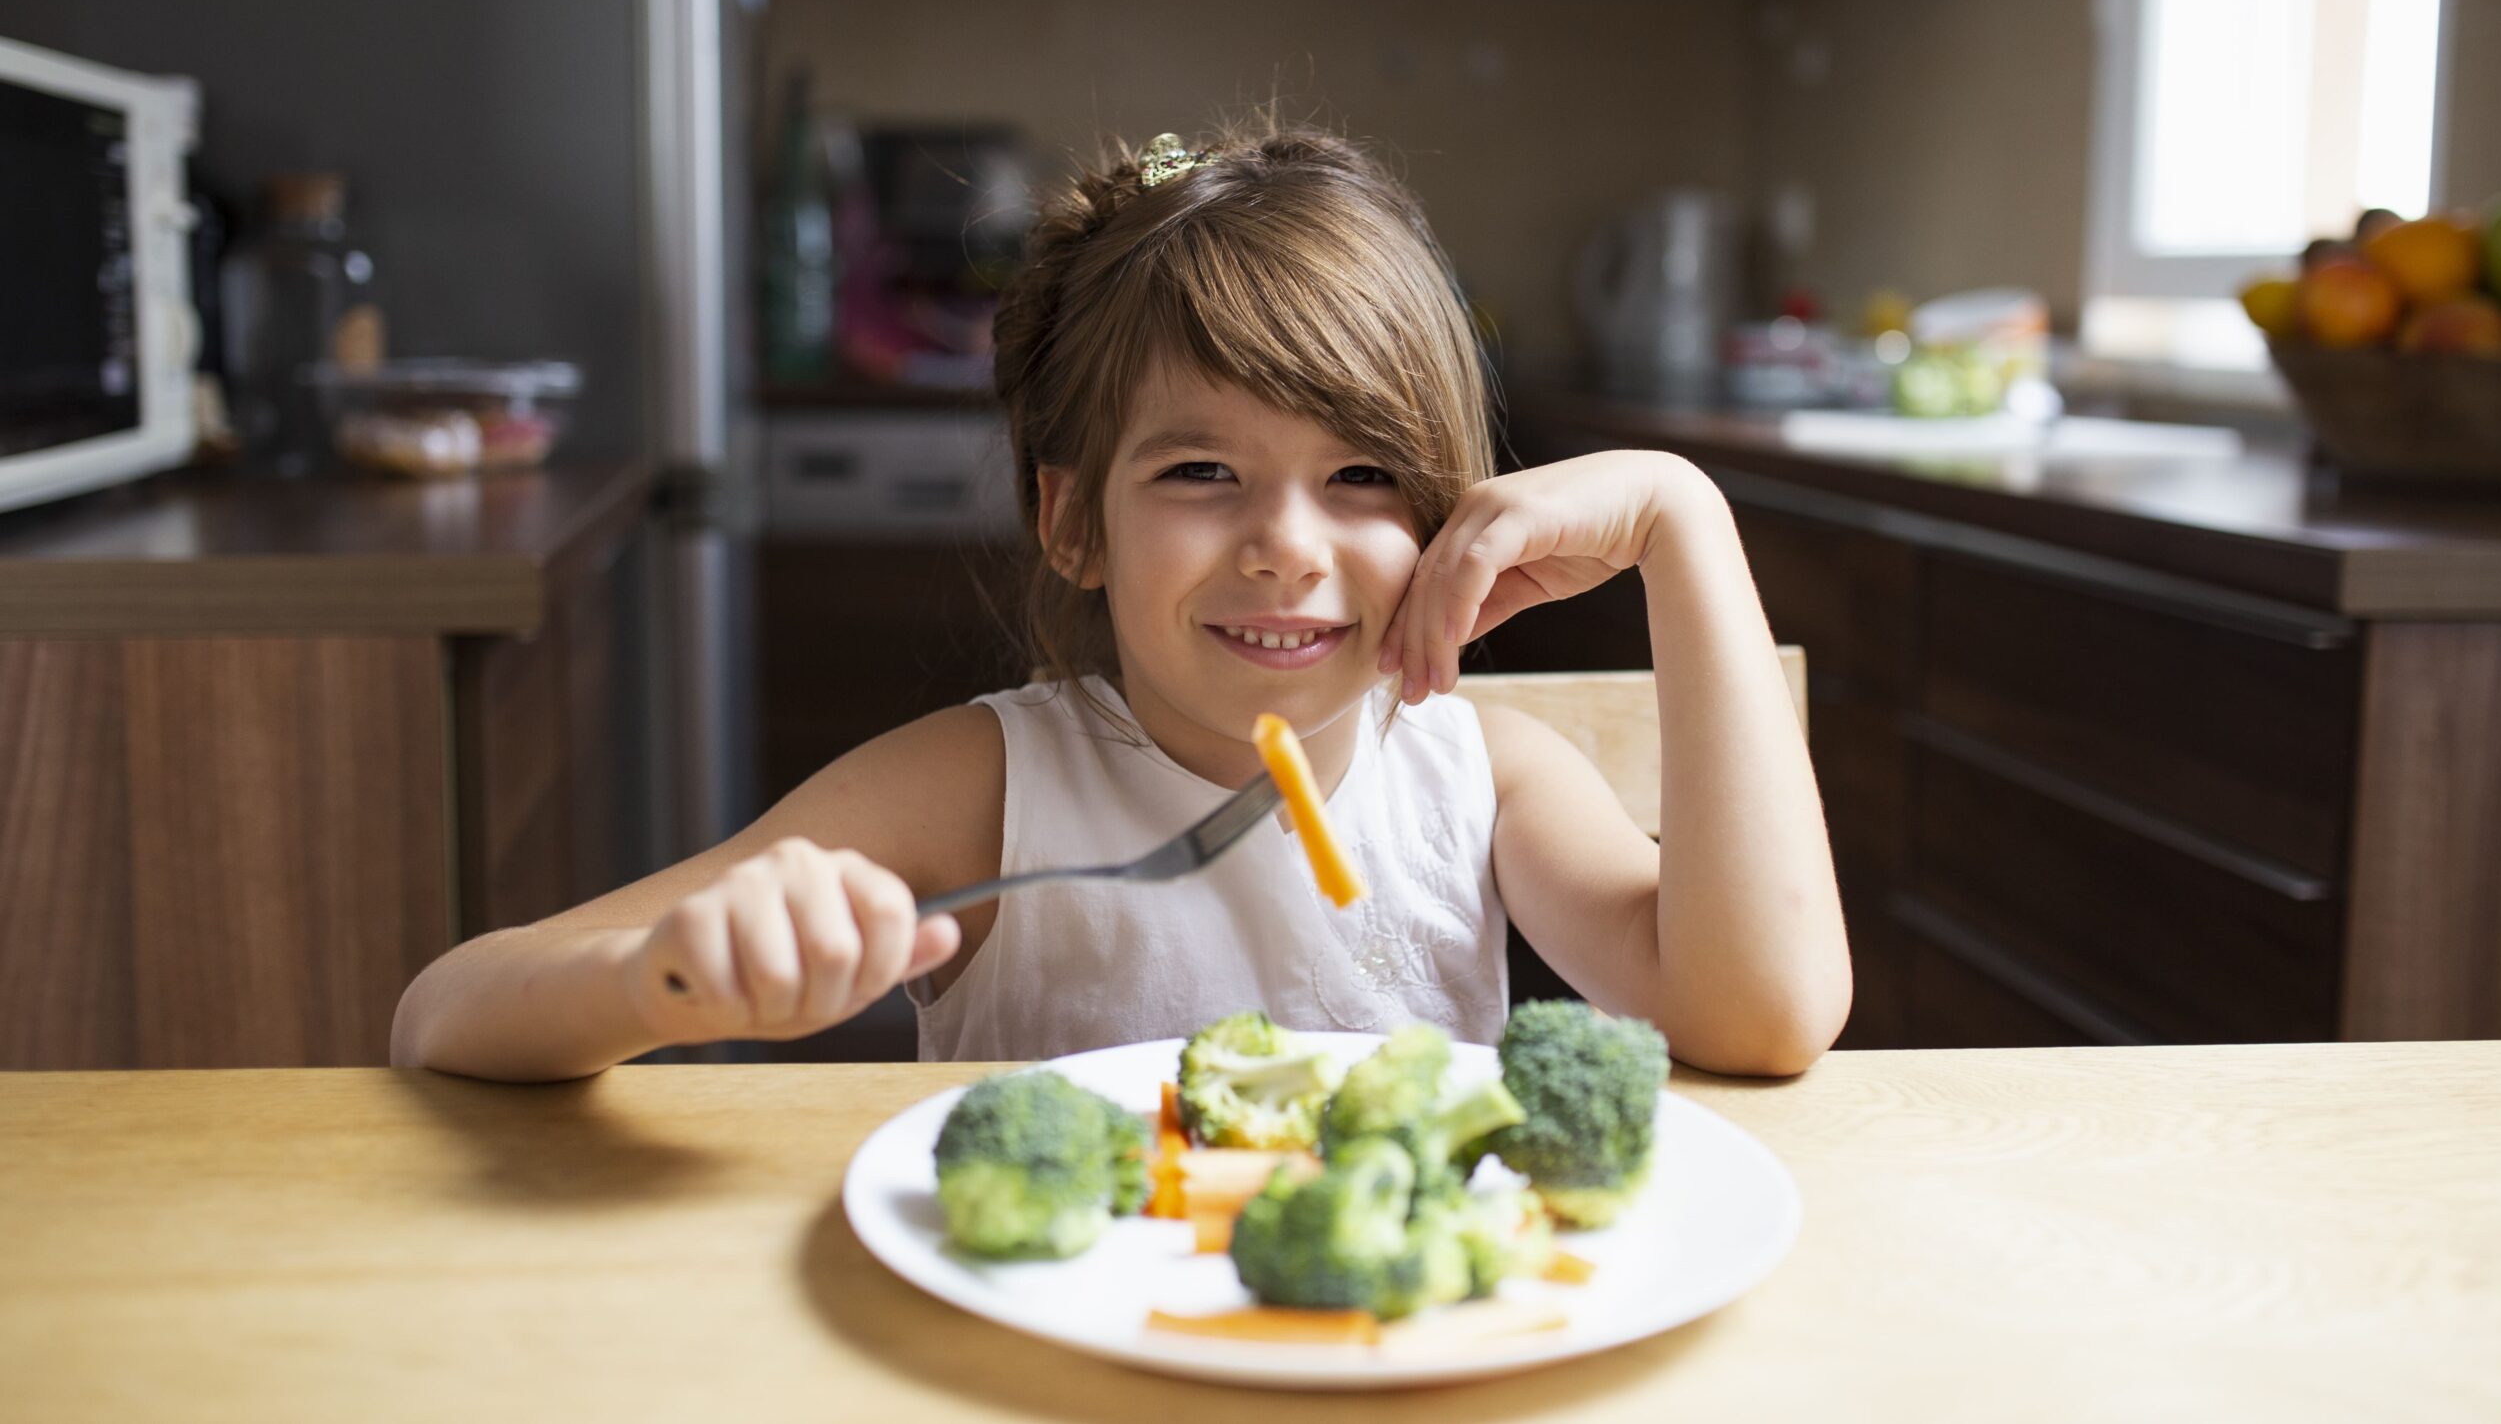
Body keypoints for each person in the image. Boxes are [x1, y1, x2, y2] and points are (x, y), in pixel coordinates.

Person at [391, 122, 1850, 1081]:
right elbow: (447, 1012)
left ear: (1446, 519)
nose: (1286, 547)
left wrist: (1683, 521)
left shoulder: (1487, 780)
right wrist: (664, 980)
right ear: (1073, 521)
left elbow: (1763, 1019)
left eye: (1358, 479)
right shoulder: (986, 788)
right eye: (1205, 471)